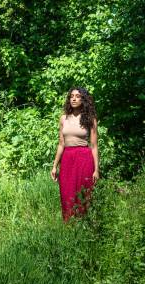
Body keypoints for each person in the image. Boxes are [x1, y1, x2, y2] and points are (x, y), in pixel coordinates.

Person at [50, 87, 99, 221]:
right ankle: (69, 225)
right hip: (67, 158)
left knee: (83, 192)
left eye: (77, 96)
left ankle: (84, 223)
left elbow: (94, 146)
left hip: (84, 158)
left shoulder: (90, 119)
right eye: (71, 96)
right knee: (66, 192)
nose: (74, 98)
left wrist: (96, 169)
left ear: (83, 99)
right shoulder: (63, 119)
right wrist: (54, 166)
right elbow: (61, 143)